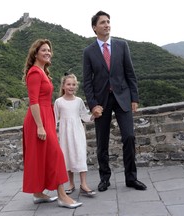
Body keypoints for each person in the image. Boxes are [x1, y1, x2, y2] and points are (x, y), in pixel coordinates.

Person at [82, 11, 147, 192]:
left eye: (108, 22)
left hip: (123, 97)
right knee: (102, 142)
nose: (107, 25)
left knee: (129, 136)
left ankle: (131, 178)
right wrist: (93, 104)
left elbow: (130, 73)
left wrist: (134, 97)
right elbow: (87, 82)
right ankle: (105, 178)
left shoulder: (122, 45)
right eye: (103, 22)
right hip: (101, 101)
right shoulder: (88, 52)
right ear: (95, 27)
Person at [22, 39, 82, 209]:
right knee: (56, 154)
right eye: (44, 50)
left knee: (43, 155)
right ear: (36, 53)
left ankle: (38, 193)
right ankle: (62, 196)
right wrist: (40, 126)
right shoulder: (34, 72)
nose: (48, 53)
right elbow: (33, 101)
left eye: (49, 50)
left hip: (45, 116)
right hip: (37, 119)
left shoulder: (42, 71)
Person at [54, 73, 97, 197]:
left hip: (77, 133)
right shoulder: (59, 102)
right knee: (67, 157)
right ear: (63, 86)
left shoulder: (78, 101)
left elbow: (85, 116)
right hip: (65, 134)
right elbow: (54, 119)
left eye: (73, 84)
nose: (71, 87)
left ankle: (84, 184)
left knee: (80, 155)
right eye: (68, 84)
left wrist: (93, 115)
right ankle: (71, 184)